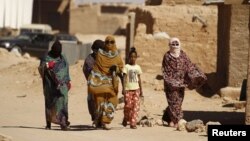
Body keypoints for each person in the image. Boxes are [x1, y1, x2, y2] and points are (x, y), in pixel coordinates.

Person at [161, 37, 207, 128]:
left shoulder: (183, 55)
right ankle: (178, 120)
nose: (175, 46)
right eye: (173, 44)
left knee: (179, 101)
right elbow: (166, 70)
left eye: (176, 44)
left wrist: (196, 74)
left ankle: (168, 118)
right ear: (169, 45)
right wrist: (172, 81)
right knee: (174, 101)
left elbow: (189, 66)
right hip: (171, 84)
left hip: (181, 83)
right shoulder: (167, 56)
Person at [88, 35, 124, 130]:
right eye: (107, 42)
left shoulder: (117, 55)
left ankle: (106, 121)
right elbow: (96, 68)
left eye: (111, 42)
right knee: (100, 102)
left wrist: (116, 69)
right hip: (100, 81)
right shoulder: (100, 54)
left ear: (114, 43)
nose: (109, 44)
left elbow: (121, 68)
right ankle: (98, 120)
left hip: (112, 82)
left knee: (112, 101)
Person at [38, 40, 71, 131]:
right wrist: (48, 65)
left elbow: (66, 68)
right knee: (49, 104)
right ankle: (48, 124)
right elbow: (41, 69)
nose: (57, 54)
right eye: (56, 52)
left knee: (63, 101)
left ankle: (63, 122)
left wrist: (68, 81)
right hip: (49, 85)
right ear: (52, 50)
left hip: (62, 85)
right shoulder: (46, 57)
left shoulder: (63, 57)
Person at [82, 39, 104, 123]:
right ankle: (95, 117)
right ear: (95, 50)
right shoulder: (89, 60)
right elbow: (88, 72)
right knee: (92, 101)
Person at [122, 47, 143, 129]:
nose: (133, 58)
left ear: (136, 57)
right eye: (131, 57)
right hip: (128, 89)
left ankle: (133, 123)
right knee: (128, 105)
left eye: (134, 57)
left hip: (136, 89)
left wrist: (141, 90)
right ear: (129, 57)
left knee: (135, 106)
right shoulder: (126, 67)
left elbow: (139, 79)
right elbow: (124, 78)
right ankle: (126, 117)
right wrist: (123, 88)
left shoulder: (138, 67)